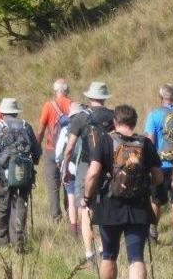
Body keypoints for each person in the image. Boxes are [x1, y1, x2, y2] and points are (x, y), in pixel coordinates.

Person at [83, 105, 164, 279]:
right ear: (135, 122)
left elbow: (93, 173)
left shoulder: (105, 140)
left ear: (115, 121)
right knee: (136, 257)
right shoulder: (145, 143)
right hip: (139, 206)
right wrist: (144, 183)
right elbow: (159, 177)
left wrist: (87, 197)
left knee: (109, 255)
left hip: (110, 205)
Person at [61, 81, 116, 262]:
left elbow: (69, 148)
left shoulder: (81, 118)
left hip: (86, 165)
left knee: (85, 207)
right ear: (104, 98)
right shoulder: (114, 116)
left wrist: (65, 167)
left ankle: (88, 252)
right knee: (104, 206)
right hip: (109, 167)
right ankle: (103, 246)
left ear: (90, 97)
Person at [0, 98, 41, 252]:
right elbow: (36, 151)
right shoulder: (26, 126)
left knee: (3, 205)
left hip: (3, 173)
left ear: (2, 113)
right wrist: (32, 164)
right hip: (24, 173)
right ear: (16, 112)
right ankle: (18, 241)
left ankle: (3, 241)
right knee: (21, 205)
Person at [144, 83, 173, 246]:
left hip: (159, 166)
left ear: (161, 97)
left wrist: (148, 164)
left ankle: (153, 234)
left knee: (156, 201)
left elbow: (150, 141)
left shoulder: (154, 116)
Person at [36, 78, 73, 222]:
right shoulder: (72, 105)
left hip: (51, 149)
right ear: (67, 91)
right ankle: (71, 214)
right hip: (68, 150)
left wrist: (37, 146)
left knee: (53, 185)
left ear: (55, 91)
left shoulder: (48, 105)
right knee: (68, 183)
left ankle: (56, 217)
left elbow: (40, 129)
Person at [55, 102, 86, 236]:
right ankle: (84, 226)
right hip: (84, 168)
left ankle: (74, 230)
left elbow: (58, 153)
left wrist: (61, 165)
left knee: (71, 197)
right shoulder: (88, 128)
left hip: (69, 167)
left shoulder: (66, 129)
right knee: (82, 200)